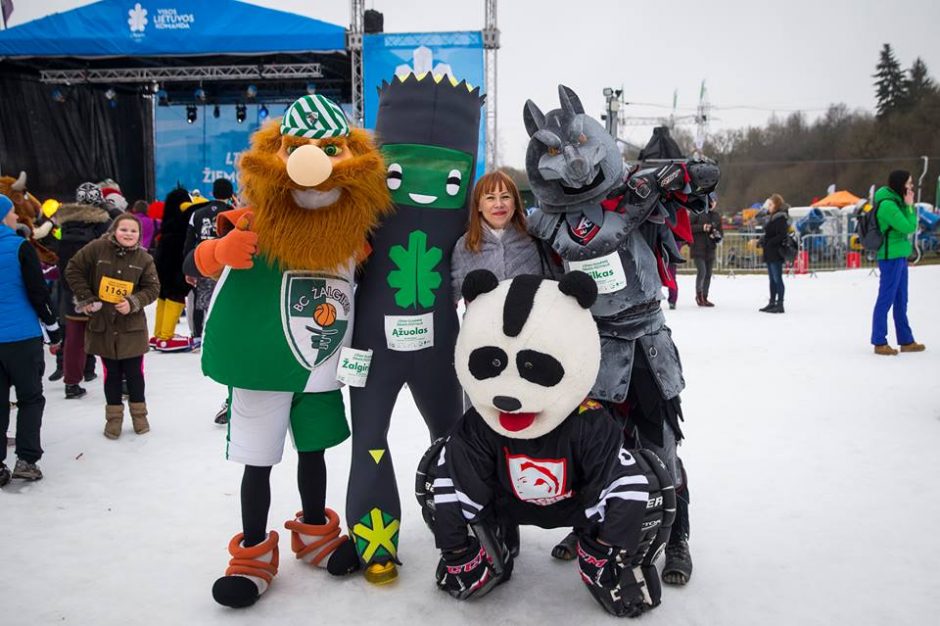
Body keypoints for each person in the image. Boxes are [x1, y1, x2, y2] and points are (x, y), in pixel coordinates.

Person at [65, 213, 160, 438]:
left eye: (133, 231)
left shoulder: (144, 259)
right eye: (123, 229)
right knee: (112, 374)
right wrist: (86, 298)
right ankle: (113, 420)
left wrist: (133, 302)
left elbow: (153, 288)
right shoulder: (97, 248)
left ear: (140, 234)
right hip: (104, 325)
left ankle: (140, 417)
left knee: (135, 373)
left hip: (132, 328)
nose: (128, 234)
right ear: (114, 230)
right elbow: (73, 269)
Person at [1, 194, 61, 485]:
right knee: (30, 398)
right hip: (22, 337)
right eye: (12, 212)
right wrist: (53, 329)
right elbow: (38, 292)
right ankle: (26, 459)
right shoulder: (20, 247)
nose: (15, 217)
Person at [450, 170, 557, 302]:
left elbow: (556, 283)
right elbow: (451, 298)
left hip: (535, 321)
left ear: (515, 203)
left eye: (505, 197)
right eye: (490, 198)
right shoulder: (465, 245)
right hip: (483, 322)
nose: (499, 204)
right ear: (479, 205)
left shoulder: (535, 237)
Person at [183, 177, 235, 423]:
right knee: (226, 309)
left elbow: (189, 241)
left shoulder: (197, 213)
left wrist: (189, 268)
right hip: (228, 268)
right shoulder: (235, 214)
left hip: (204, 263)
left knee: (202, 305)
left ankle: (198, 337)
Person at [54, 183, 112, 397]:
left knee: (74, 339)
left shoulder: (64, 226)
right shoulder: (105, 224)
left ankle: (71, 383)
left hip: (72, 290)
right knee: (109, 335)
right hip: (100, 290)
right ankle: (117, 377)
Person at [870, 170, 924, 356]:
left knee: (901, 299)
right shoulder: (888, 205)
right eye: (909, 183)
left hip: (899, 255)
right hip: (890, 257)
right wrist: (910, 207)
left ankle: (906, 340)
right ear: (901, 185)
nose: (911, 187)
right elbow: (909, 227)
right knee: (886, 299)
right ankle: (879, 341)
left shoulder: (897, 202)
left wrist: (908, 206)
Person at [151, 187, 195, 351]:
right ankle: (166, 336)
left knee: (163, 295)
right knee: (175, 294)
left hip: (162, 258)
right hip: (176, 259)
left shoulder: (167, 221)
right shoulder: (184, 218)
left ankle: (159, 333)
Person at [690, 193, 722, 307]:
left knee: (708, 274)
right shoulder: (697, 212)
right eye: (710, 200)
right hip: (697, 247)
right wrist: (702, 228)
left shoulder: (717, 216)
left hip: (710, 248)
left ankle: (705, 296)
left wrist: (717, 236)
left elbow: (720, 233)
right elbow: (689, 227)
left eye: (714, 201)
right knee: (702, 271)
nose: (712, 203)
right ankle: (699, 296)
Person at [759, 193, 790, 314]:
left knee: (778, 279)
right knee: (772, 279)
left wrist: (770, 242)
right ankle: (772, 302)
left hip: (776, 253)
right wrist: (763, 241)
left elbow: (782, 235)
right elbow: (759, 219)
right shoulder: (771, 217)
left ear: (776, 205)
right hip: (769, 252)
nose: (769, 206)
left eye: (771, 204)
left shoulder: (781, 218)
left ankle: (780, 304)